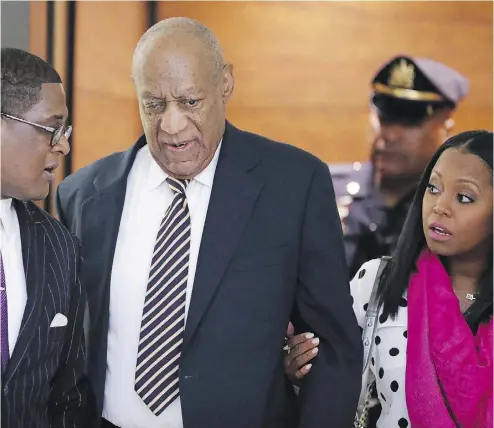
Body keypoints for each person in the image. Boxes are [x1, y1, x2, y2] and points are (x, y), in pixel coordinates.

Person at [55, 17, 362, 428]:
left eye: (190, 102)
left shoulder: (294, 185)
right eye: (154, 104)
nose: (172, 125)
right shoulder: (83, 195)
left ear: (225, 84)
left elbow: (334, 350)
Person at [285, 130, 493, 427]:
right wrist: (300, 375)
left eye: (463, 197)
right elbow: (329, 394)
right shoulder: (377, 283)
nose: (439, 207)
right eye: (433, 188)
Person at [0, 48, 95, 428]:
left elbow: (67, 396)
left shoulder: (60, 246)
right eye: (51, 127)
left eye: (65, 131)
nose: (63, 145)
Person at [329, 56, 469, 278]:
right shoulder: (323, 193)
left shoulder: (465, 216)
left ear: (446, 129)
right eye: (384, 118)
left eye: (409, 122)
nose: (389, 135)